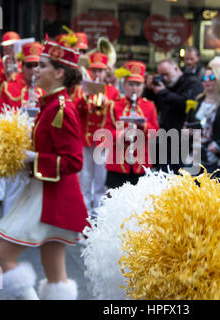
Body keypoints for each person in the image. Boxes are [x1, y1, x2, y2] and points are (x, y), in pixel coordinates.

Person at [0, 39, 89, 300]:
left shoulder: (61, 108)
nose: (35, 69)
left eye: (42, 65)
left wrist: (32, 158)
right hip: (46, 191)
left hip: (51, 196)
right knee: (55, 271)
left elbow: (74, 161)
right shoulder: (51, 104)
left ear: (59, 73)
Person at [0, 42, 45, 215]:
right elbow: (0, 118)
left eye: (37, 65)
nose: (33, 70)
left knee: (39, 192)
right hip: (18, 146)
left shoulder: (47, 88)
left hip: (40, 146)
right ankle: (8, 231)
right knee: (14, 190)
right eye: (29, 65)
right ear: (22, 66)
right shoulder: (9, 87)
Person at [74, 52, 120, 217]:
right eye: (94, 70)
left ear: (105, 72)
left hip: (102, 139)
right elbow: (75, 110)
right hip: (86, 138)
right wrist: (85, 97)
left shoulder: (113, 91)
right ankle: (84, 210)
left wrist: (110, 104)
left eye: (100, 71)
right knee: (84, 176)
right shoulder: (82, 90)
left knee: (101, 178)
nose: (97, 74)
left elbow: (118, 112)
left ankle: (98, 211)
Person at [105, 61, 159, 189]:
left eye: (138, 84)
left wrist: (143, 126)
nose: (135, 88)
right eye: (131, 84)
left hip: (141, 163)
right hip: (118, 163)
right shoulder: (114, 105)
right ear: (124, 85)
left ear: (143, 86)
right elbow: (106, 132)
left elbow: (156, 132)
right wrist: (122, 134)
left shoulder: (149, 106)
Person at [184, 66, 220, 182]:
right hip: (195, 153)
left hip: (216, 157)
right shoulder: (198, 100)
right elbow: (190, 123)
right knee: (188, 189)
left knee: (210, 192)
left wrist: (219, 144)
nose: (207, 80)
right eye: (204, 77)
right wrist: (188, 131)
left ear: (219, 80)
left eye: (211, 77)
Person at [0, 31, 22, 209]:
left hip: (18, 110)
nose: (10, 49)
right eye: (8, 46)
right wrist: (4, 74)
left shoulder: (25, 63)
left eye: (13, 45)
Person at [152, 58, 203, 173]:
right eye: (161, 75)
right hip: (166, 141)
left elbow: (185, 104)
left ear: (176, 68)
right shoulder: (166, 86)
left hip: (184, 144)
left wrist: (164, 92)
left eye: (166, 74)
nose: (164, 78)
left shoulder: (192, 83)